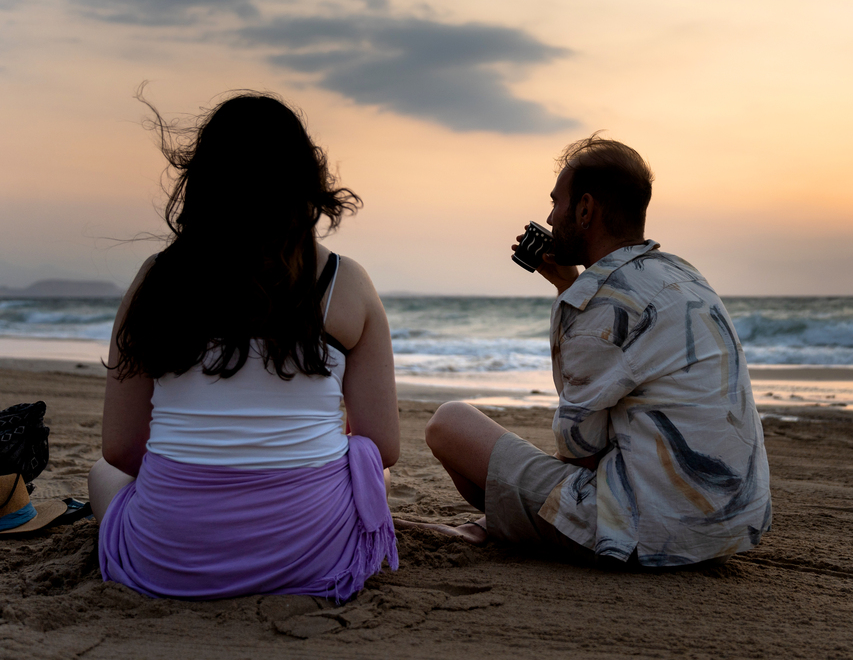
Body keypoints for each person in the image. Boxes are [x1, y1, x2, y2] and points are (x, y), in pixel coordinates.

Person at [88, 93, 400, 601]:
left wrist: (206, 478)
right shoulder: (346, 283)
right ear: (304, 184)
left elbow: (121, 449)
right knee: (365, 463)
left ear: (203, 183)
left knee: (101, 474)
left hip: (168, 560)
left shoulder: (158, 282)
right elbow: (383, 445)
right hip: (310, 553)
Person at [406, 134, 771, 567]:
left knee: (449, 423)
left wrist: (572, 298)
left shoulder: (599, 302)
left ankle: (502, 525)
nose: (549, 216)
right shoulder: (684, 275)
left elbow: (578, 451)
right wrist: (568, 281)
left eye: (556, 202)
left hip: (643, 532)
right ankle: (502, 521)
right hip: (724, 527)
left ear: (584, 209)